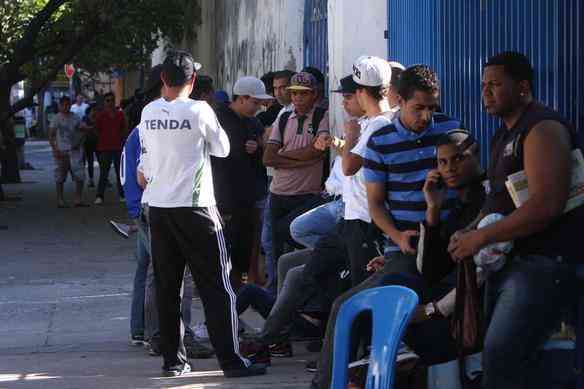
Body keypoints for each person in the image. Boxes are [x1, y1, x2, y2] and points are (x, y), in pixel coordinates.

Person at [311, 64, 462, 389]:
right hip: (405, 251)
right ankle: (326, 383)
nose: (426, 116)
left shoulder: (449, 132)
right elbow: (376, 204)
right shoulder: (380, 142)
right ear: (401, 101)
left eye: (431, 108)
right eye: (418, 108)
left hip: (449, 248)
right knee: (343, 307)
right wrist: (397, 237)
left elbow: (469, 185)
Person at [447, 51, 582, 389]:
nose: (486, 93)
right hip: (511, 265)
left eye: (495, 84)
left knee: (501, 356)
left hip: (543, 264)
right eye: (483, 85)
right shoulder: (502, 135)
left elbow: (546, 205)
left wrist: (481, 237)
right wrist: (468, 230)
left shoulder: (542, 128)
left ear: (522, 88)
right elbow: (498, 199)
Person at [137, 50, 266, 378]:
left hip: (159, 209)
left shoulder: (148, 111)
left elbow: (146, 163)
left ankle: (173, 362)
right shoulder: (200, 110)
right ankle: (231, 362)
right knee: (218, 285)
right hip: (196, 209)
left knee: (168, 286)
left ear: (163, 79)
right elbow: (222, 148)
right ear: (192, 80)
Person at [122, 64, 213, 359]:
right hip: (156, 205)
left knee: (149, 271)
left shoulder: (147, 123)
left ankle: (144, 331)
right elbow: (142, 174)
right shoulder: (152, 126)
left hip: (147, 205)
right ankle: (164, 334)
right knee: (170, 275)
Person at [262, 72, 330, 287]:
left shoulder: (322, 117)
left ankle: (301, 289)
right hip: (279, 192)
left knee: (298, 241)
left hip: (306, 193)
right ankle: (276, 291)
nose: (298, 98)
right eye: (294, 94)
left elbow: (317, 152)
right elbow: (268, 157)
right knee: (274, 248)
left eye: (303, 94)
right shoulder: (283, 117)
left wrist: (283, 156)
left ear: (314, 95)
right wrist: (301, 158)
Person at [212, 76, 272, 288]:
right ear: (242, 98)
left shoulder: (253, 122)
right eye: (255, 102)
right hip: (224, 198)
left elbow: (262, 149)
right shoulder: (217, 120)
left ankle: (238, 294)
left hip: (248, 199)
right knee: (221, 252)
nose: (258, 108)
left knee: (243, 251)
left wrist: (257, 147)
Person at [48, 96, 88, 208]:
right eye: (64, 105)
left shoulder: (75, 117)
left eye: (68, 104)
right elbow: (50, 135)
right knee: (60, 176)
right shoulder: (56, 118)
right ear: (60, 106)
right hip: (61, 151)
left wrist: (79, 142)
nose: (66, 107)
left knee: (79, 175)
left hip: (74, 151)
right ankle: (60, 199)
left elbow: (84, 130)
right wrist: (55, 149)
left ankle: (78, 199)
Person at [94, 92, 127, 204]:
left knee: (120, 173)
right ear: (104, 102)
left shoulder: (120, 114)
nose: (110, 103)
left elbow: (124, 129)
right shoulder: (100, 115)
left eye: (112, 100)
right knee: (104, 173)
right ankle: (100, 196)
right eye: (107, 100)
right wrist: (103, 139)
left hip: (118, 147)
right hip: (105, 148)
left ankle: (122, 194)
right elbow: (96, 130)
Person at [82, 104, 98, 187]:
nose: (94, 112)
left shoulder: (98, 118)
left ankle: (105, 179)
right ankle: (90, 179)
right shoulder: (85, 118)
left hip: (98, 142)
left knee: (102, 162)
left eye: (95, 110)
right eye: (93, 110)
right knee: (89, 161)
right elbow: (84, 127)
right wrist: (93, 127)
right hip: (87, 143)